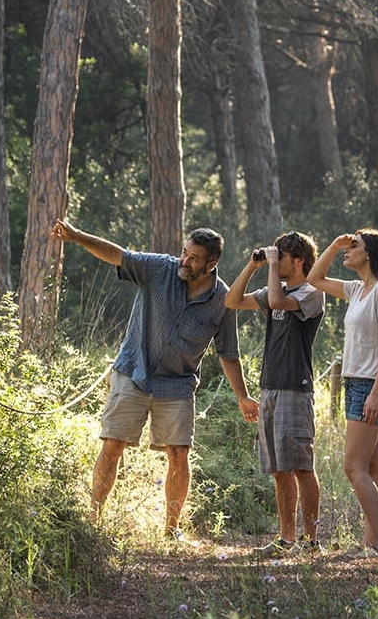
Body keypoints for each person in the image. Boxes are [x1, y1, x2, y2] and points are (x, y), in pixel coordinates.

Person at [52, 218, 257, 539]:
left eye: (193, 258)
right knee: (112, 444)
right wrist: (78, 237)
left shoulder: (223, 300)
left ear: (211, 264)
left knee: (179, 454)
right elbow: (117, 255)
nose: (185, 261)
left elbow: (228, 352)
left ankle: (171, 530)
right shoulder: (161, 268)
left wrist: (243, 396)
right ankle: (94, 521)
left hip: (177, 384)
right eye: (184, 253)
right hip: (133, 371)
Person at [306, 228, 378, 558]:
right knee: (374, 467)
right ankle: (372, 542)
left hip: (369, 386)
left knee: (353, 467)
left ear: (370, 254)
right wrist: (335, 244)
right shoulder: (357, 289)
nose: (348, 252)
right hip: (356, 383)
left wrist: (376, 394)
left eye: (354, 247)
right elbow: (314, 277)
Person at [225, 231, 325, 554]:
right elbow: (232, 301)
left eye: (280, 257)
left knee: (301, 466)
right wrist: (253, 266)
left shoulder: (312, 293)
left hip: (296, 389)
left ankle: (311, 542)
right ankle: (286, 540)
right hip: (269, 388)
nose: (275, 261)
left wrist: (269, 267)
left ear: (297, 261)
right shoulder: (273, 288)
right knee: (279, 470)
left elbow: (280, 303)